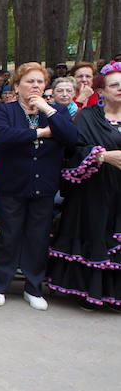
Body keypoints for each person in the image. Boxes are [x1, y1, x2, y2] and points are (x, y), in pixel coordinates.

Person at [0, 62, 78, 310]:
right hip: (12, 184)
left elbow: (72, 137)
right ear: (17, 86)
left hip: (45, 185)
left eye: (40, 82)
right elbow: (2, 137)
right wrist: (41, 133)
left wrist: (47, 110)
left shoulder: (57, 110)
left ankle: (34, 287)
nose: (36, 86)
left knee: (38, 238)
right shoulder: (4, 110)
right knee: (8, 235)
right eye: (30, 81)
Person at [47, 65, 121, 309]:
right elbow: (72, 149)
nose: (120, 89)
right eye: (114, 85)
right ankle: (89, 292)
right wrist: (100, 156)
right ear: (101, 91)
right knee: (94, 235)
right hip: (94, 190)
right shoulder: (88, 117)